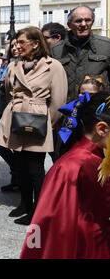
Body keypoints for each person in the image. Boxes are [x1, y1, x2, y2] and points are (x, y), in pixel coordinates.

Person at [21, 91, 110, 258]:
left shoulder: (103, 158)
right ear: (102, 129)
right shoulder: (70, 168)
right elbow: (46, 227)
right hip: (81, 249)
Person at [0, 26, 68, 225]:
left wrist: (47, 121)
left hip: (37, 118)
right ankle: (26, 205)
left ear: (35, 44)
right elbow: (10, 91)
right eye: (16, 42)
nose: (16, 46)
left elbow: (59, 100)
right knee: (20, 166)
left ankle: (39, 209)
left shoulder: (53, 66)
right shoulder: (15, 65)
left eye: (21, 42)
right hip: (17, 118)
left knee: (35, 168)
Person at [51, 5, 110, 102]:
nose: (83, 24)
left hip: (97, 111)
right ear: (69, 25)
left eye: (88, 20)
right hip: (66, 111)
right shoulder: (56, 50)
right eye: (78, 21)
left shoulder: (106, 46)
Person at [0, 39, 21, 192]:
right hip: (8, 109)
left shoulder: (25, 63)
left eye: (18, 44)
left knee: (14, 149)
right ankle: (17, 175)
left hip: (20, 111)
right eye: (12, 46)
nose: (15, 48)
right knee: (1, 146)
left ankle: (18, 176)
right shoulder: (9, 64)